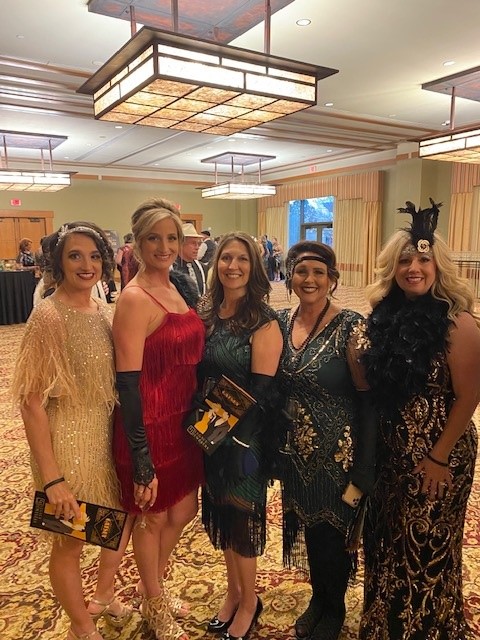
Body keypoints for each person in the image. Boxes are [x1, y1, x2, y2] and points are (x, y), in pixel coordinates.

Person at [359, 199, 480, 640]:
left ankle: (426, 629)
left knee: (426, 547)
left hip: (438, 454)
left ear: (438, 266)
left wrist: (439, 457)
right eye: (404, 260)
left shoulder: (458, 323)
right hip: (390, 453)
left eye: (423, 260)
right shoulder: (384, 318)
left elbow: (469, 396)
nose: (413, 268)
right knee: (386, 541)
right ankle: (384, 626)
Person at [12, 222, 132, 640]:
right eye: (75, 256)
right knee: (70, 541)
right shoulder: (48, 315)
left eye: (94, 256)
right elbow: (30, 401)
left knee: (112, 523)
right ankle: (81, 626)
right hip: (65, 446)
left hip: (103, 438)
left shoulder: (101, 310)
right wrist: (52, 478)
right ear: (58, 263)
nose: (87, 265)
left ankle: (102, 595)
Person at [112, 198, 205, 640]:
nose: (164, 247)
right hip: (149, 423)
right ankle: (154, 601)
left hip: (182, 421)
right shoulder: (134, 298)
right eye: (154, 238)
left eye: (172, 238)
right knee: (152, 517)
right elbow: (127, 384)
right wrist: (140, 456)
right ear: (137, 243)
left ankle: (151, 587)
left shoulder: (177, 286)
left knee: (184, 508)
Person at [275, 241, 376, 640]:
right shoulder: (281, 322)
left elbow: (369, 401)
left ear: (332, 279)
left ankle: (334, 608)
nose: (310, 279)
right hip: (296, 454)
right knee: (310, 530)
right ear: (291, 277)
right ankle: (318, 599)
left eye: (319, 272)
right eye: (302, 271)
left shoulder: (351, 326)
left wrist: (364, 468)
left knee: (334, 535)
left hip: (339, 458)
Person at [197, 231, 283, 640]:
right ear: (217, 264)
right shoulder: (208, 313)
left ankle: (250, 602)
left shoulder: (263, 320)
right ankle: (233, 593)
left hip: (245, 437)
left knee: (243, 520)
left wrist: (239, 443)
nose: (233, 266)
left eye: (242, 259)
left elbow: (262, 392)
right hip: (209, 430)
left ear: (254, 267)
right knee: (223, 515)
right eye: (226, 258)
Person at [173, 222, 207, 295]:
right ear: (181, 244)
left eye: (198, 244)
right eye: (193, 243)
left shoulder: (201, 267)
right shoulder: (172, 268)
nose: (197, 247)